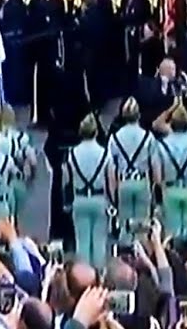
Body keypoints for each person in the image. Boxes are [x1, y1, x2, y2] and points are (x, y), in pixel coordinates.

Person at [153, 106, 187, 242]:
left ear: (171, 124)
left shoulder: (161, 145)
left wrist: (160, 194)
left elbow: (157, 177)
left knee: (171, 235)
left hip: (170, 191)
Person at [65, 113, 112, 267]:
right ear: (96, 132)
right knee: (99, 242)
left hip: (80, 199)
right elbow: (111, 179)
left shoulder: (72, 153)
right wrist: (112, 201)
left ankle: (83, 275)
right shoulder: (104, 153)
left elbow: (67, 179)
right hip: (99, 199)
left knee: (82, 242)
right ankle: (99, 274)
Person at [108, 98, 154, 237]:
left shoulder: (114, 138)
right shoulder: (148, 137)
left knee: (125, 227)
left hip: (124, 183)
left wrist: (113, 196)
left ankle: (126, 247)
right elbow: (154, 165)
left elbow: (111, 169)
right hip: (142, 182)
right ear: (139, 115)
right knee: (142, 227)